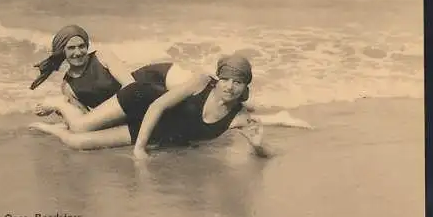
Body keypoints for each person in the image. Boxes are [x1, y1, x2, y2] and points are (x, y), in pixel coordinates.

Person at [30, 54, 271, 159]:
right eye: (226, 80)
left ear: (245, 86)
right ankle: (60, 103)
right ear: (218, 78)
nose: (229, 87)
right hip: (141, 99)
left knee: (77, 142)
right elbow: (158, 105)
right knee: (81, 127)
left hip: (156, 129)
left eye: (237, 82)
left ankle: (51, 129)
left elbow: (262, 150)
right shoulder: (201, 82)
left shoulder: (238, 115)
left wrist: (259, 147)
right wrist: (139, 149)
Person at [30, 24, 194, 115]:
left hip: (154, 79)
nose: (78, 52)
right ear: (63, 51)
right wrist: (57, 109)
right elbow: (86, 120)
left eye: (81, 46)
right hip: (131, 107)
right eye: (71, 48)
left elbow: (130, 86)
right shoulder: (68, 87)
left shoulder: (103, 56)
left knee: (195, 99)